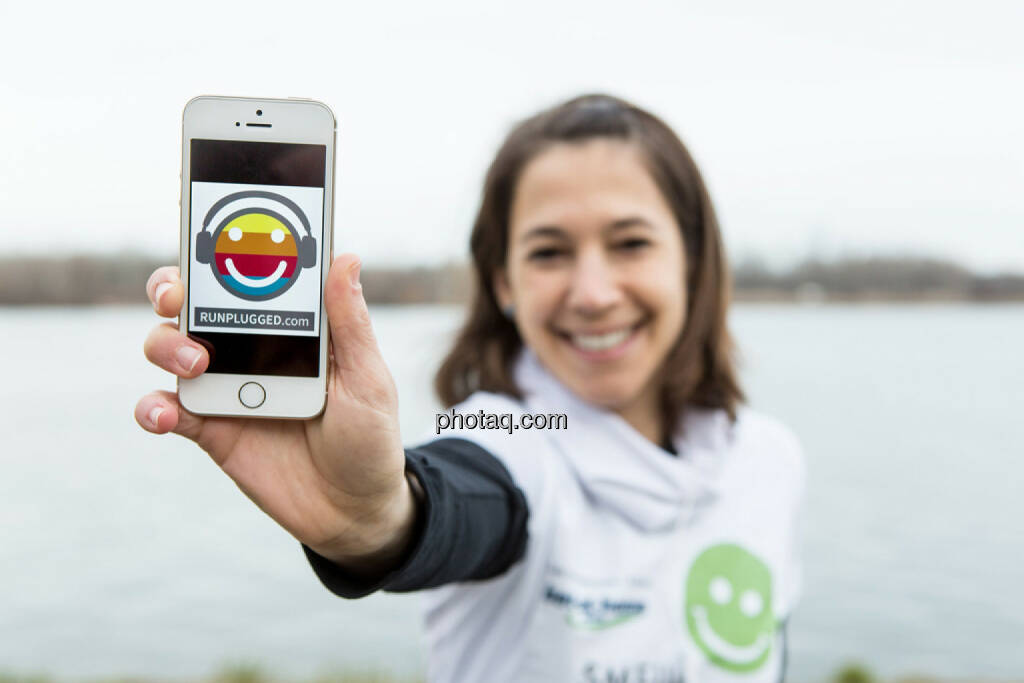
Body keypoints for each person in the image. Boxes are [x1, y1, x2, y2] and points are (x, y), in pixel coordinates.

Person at [136, 93, 805, 683]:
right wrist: (377, 518)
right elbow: (463, 498)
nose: (595, 294)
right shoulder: (511, 438)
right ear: (503, 282)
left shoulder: (768, 461)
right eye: (548, 252)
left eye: (630, 242)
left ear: (692, 257)